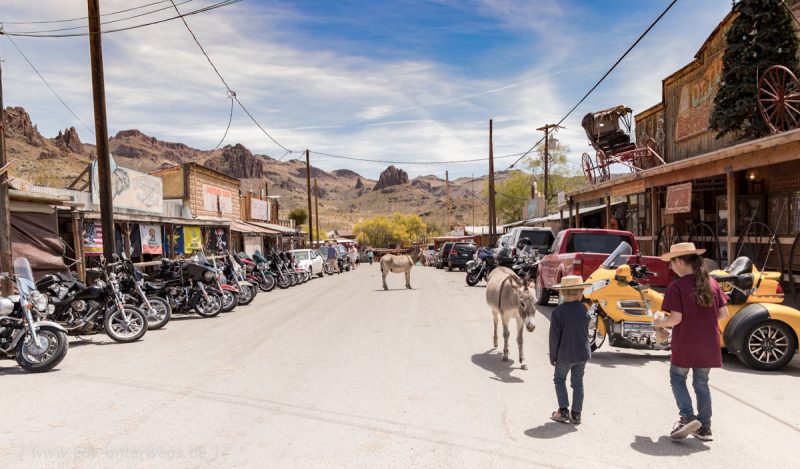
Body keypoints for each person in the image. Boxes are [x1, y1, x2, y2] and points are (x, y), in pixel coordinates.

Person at [654, 242, 729, 441]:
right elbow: (723, 313)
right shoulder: (711, 283)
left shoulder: (676, 286)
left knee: (677, 378)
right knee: (701, 383)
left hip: (686, 342)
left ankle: (687, 416)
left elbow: (676, 319)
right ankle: (704, 427)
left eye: (672, 262)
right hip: (709, 343)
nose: (670, 267)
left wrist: (660, 322)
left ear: (679, 261)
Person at [548, 275, 592, 425]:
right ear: (580, 292)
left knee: (559, 379)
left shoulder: (558, 312)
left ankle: (563, 411)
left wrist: (553, 356)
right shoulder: (584, 309)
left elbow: (554, 338)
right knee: (578, 383)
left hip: (565, 355)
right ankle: (577, 414)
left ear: (562, 293)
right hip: (582, 354)